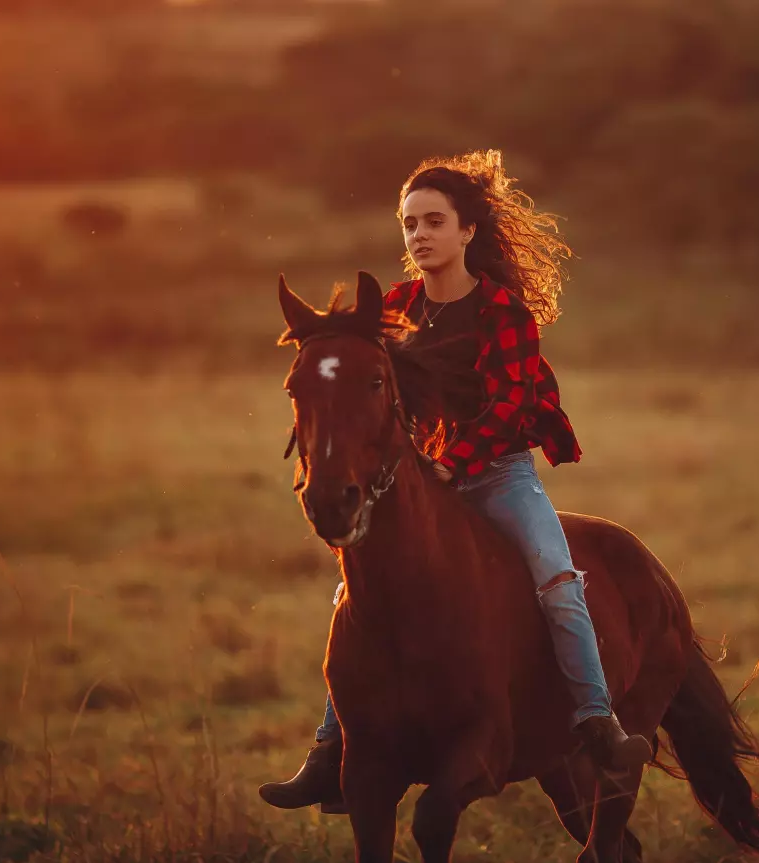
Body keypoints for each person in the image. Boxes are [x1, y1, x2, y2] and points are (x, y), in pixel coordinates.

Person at [260, 150, 652, 812]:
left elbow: (511, 407)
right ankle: (331, 751)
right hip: (422, 479)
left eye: (433, 221)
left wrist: (455, 461)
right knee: (354, 597)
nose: (418, 235)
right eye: (409, 223)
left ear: (467, 231)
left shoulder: (504, 313)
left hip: (499, 475)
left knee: (556, 577)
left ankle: (597, 721)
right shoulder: (396, 309)